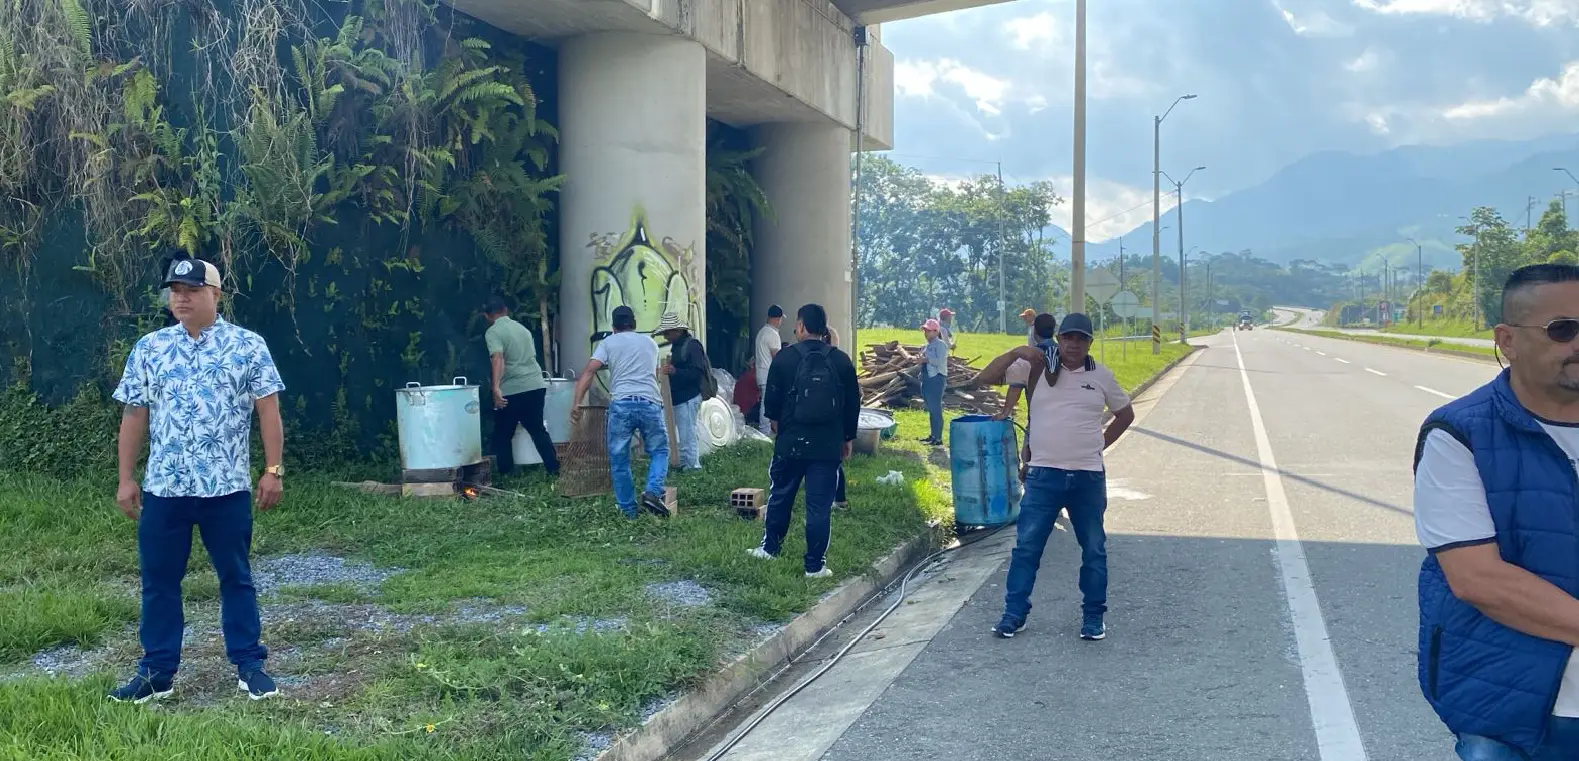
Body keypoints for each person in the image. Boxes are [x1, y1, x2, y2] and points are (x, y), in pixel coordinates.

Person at [1412, 263, 1579, 759]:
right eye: (1562, 330)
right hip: (1512, 708)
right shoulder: (1459, 434)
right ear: (1507, 340)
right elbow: (1479, 579)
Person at [109, 254, 287, 703]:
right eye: (175, 291)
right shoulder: (151, 348)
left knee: (236, 577)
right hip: (165, 489)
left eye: (192, 290)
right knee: (159, 580)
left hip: (224, 488)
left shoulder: (247, 346)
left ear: (216, 294)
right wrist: (125, 479)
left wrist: (273, 470)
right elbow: (134, 413)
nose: (182, 298)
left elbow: (269, 410)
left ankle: (249, 664)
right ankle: (157, 672)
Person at [971, 312, 1135, 641]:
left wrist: (1098, 445)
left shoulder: (1101, 376)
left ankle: (1093, 618)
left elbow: (1125, 414)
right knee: (1027, 548)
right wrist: (1018, 351)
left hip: (1087, 477)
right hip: (1044, 476)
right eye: (1068, 338)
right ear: (1059, 340)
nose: (1073, 344)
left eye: (1081, 339)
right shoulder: (1035, 368)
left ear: (1090, 343)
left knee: (1094, 549)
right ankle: (1013, 614)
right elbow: (984, 378)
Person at [748, 304, 860, 577]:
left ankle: (770, 549)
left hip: (791, 442)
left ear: (801, 327)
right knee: (819, 506)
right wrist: (847, 438)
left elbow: (771, 404)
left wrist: (778, 426)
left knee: (781, 495)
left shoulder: (785, 359)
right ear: (824, 329)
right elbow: (853, 404)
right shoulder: (841, 360)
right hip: (827, 444)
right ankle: (814, 566)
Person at [570, 305, 670, 519]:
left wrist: (576, 403)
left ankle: (628, 511)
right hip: (649, 402)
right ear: (634, 324)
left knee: (619, 459)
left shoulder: (608, 343)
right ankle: (653, 492)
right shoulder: (650, 344)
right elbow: (653, 375)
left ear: (614, 327)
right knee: (659, 451)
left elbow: (589, 371)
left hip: (622, 404)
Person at [483, 296, 558, 477]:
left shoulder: (493, 332)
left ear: (487, 316)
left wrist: (495, 387)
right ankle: (554, 469)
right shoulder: (522, 329)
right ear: (505, 310)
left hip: (513, 389)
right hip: (535, 384)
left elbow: (498, 358)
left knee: (503, 433)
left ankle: (506, 473)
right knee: (537, 430)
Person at [657, 312, 708, 471]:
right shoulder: (677, 347)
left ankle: (692, 467)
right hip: (678, 397)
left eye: (667, 332)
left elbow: (696, 373)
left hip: (688, 397)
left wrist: (675, 372)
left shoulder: (692, 346)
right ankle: (685, 464)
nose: (665, 336)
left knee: (687, 435)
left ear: (677, 331)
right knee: (684, 435)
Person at [996, 313, 1057, 421]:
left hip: (1038, 424)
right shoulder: (1068, 356)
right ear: (1054, 330)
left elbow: (1015, 388)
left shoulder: (1028, 359)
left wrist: (1005, 413)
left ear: (1035, 331)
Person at [917, 318, 950, 446]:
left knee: (936, 408)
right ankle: (933, 435)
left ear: (936, 332)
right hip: (926, 379)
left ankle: (938, 438)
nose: (926, 333)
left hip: (936, 379)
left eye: (928, 331)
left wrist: (925, 360)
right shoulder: (926, 346)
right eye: (925, 331)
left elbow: (940, 362)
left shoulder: (941, 345)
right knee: (931, 408)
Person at [826, 325, 848, 510]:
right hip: (835, 422)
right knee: (833, 462)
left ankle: (838, 499)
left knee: (832, 463)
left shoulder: (831, 363)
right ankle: (838, 499)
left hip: (830, 421)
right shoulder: (841, 361)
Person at [755, 305, 785, 434]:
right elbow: (777, 357)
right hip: (768, 373)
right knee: (766, 404)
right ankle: (764, 430)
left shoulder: (762, 332)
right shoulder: (773, 334)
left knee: (765, 402)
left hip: (761, 372)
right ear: (777, 319)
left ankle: (766, 429)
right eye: (781, 319)